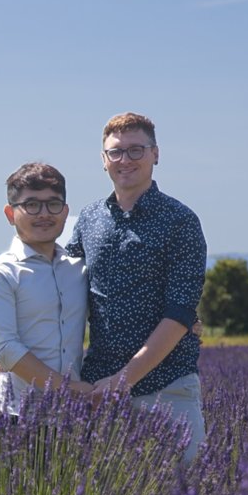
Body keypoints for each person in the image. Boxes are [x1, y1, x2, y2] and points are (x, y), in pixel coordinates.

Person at [66, 112, 207, 460]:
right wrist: (8, 342)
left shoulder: (181, 221)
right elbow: (58, 285)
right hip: (98, 393)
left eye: (136, 150)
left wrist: (123, 380)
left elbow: (178, 313)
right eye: (115, 152)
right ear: (103, 160)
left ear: (155, 154)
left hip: (168, 387)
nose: (125, 160)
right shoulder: (88, 219)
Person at [0, 162, 93, 416]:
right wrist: (69, 390)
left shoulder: (80, 270)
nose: (44, 214)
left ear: (65, 212)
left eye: (53, 204)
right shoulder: (0, 275)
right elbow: (6, 350)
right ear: (10, 214)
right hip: (18, 414)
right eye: (31, 205)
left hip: (72, 415)